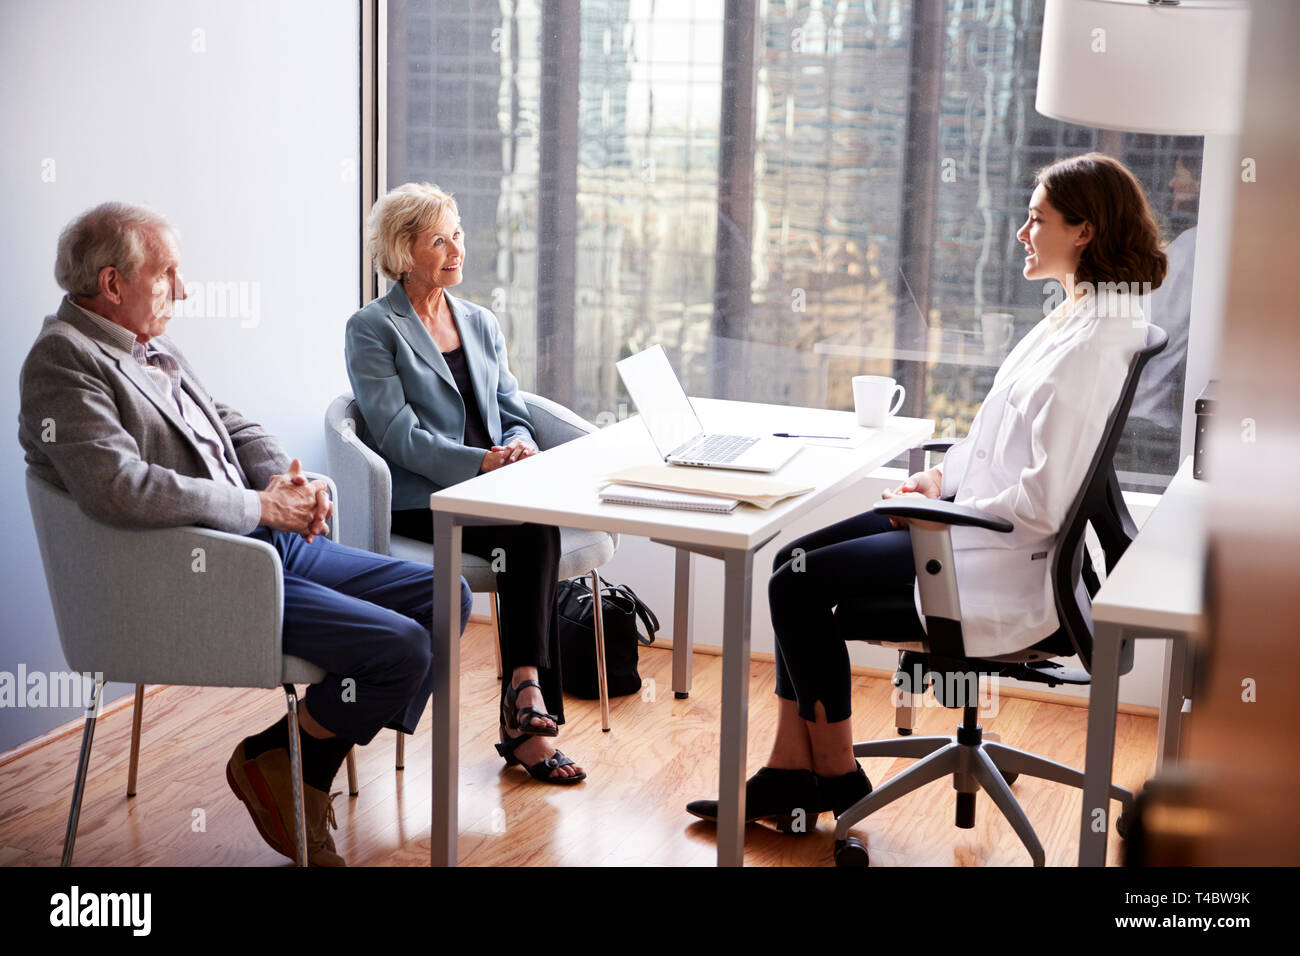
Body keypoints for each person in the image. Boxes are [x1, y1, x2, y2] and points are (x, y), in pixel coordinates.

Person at [687, 152, 1168, 833]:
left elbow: (1043, 502)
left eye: (1037, 221)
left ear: (1083, 231)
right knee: (791, 562)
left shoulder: (1093, 345)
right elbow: (1000, 433)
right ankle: (791, 774)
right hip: (968, 522)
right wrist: (942, 478)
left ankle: (833, 776)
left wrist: (946, 511)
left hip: (993, 554)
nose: (1023, 234)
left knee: (794, 584)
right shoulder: (1075, 318)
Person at [18, 202, 474, 866]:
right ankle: (293, 769)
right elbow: (120, 487)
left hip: (260, 545)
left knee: (446, 594)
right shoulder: (63, 362)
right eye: (167, 273)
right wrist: (261, 509)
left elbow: (231, 422)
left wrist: (288, 485)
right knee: (401, 648)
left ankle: (289, 761)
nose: (184, 290)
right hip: (198, 572)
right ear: (112, 284)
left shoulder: (148, 342)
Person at [345, 182, 585, 784]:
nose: (456, 250)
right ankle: (525, 713)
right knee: (532, 529)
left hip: (494, 484)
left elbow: (511, 404)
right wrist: (480, 463)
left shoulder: (479, 320)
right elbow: (397, 435)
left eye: (458, 235)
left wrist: (521, 441)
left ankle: (522, 702)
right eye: (438, 240)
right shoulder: (373, 328)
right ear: (402, 253)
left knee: (531, 525)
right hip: (423, 497)